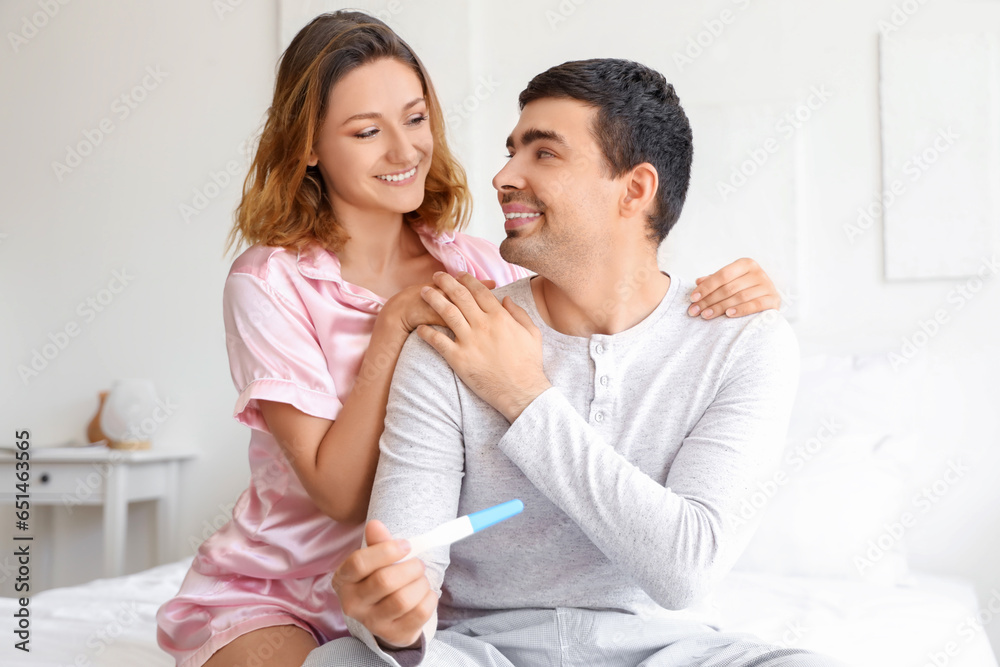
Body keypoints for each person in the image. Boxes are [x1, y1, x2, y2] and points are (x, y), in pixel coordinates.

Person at [156, 12, 785, 667]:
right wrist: (394, 327)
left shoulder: (481, 267)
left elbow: (594, 281)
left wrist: (741, 295)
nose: (404, 151)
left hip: (423, 596)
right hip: (290, 582)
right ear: (309, 146)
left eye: (417, 119)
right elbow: (339, 495)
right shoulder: (272, 280)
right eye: (368, 131)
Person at [305, 58, 847, 667]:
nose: (503, 176)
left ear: (635, 189)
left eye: (544, 154)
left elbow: (687, 569)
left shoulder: (742, 341)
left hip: (667, 652)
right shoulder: (457, 332)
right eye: (511, 151)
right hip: (483, 654)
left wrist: (523, 397)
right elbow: (406, 569)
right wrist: (391, 623)